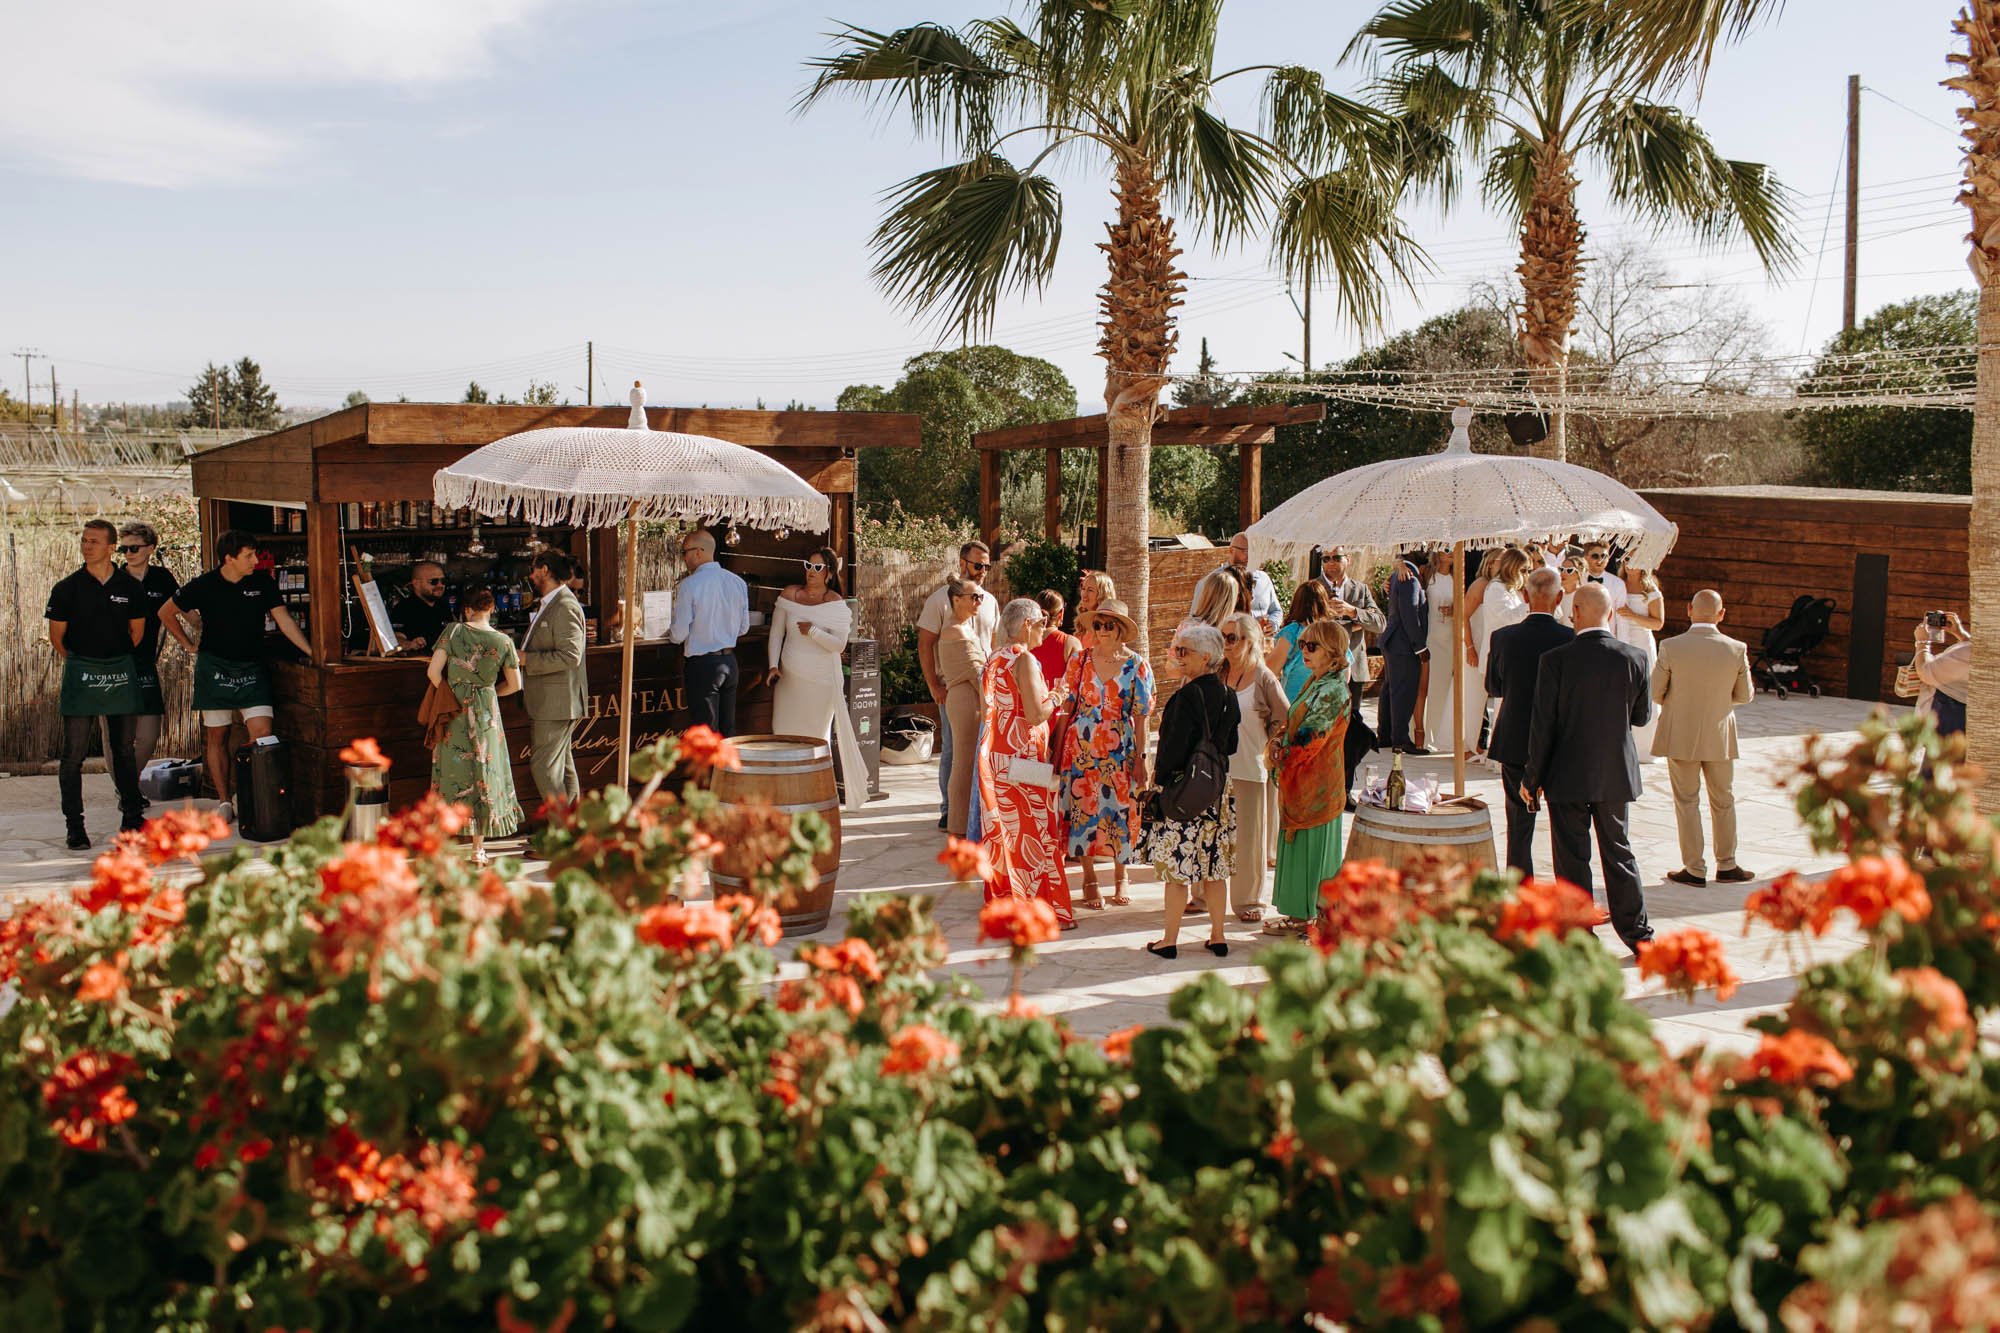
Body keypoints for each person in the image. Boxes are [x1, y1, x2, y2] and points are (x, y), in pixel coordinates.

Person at [1520, 583, 1655, 955]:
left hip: (1568, 773)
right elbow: (1641, 717)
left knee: (1572, 859)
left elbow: (1542, 725)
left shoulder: (1555, 659)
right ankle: (1639, 936)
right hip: (1615, 772)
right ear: (1610, 614)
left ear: (1575, 612)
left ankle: (1580, 937)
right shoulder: (1635, 657)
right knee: (1619, 852)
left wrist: (1532, 778)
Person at [159, 529, 311, 828]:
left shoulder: (262, 583)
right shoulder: (204, 585)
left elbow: (283, 619)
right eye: (249, 556)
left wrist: (310, 651)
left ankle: (253, 794)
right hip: (214, 666)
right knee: (218, 736)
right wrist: (189, 645)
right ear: (229, 559)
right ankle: (225, 800)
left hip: (252, 667)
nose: (256, 560)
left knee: (263, 736)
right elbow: (165, 612)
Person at [47, 519, 147, 849]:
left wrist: (111, 660)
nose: (86, 546)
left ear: (111, 548)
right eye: (84, 540)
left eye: (93, 541)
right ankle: (75, 826)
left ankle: (132, 818)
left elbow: (137, 634)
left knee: (123, 752)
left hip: (120, 671)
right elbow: (57, 639)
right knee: (73, 755)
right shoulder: (66, 588)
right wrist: (85, 663)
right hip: (81, 673)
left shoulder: (130, 588)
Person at [1142, 622, 1239, 958]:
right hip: (1217, 790)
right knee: (1215, 867)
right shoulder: (1229, 695)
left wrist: (1160, 784)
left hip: (1185, 791)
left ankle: (1169, 940)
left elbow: (1170, 750)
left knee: (1177, 870)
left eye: (1185, 651)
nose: (1178, 655)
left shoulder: (1185, 697)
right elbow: (1233, 745)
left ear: (1206, 657)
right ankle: (1218, 935)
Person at [1652, 589, 1756, 888]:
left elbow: (1655, 692)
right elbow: (1745, 695)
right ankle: (1727, 864)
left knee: (1686, 801)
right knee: (1723, 800)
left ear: (1689, 610)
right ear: (1721, 614)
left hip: (1680, 732)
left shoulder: (1671, 646)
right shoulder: (1736, 648)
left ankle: (1695, 868)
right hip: (1719, 733)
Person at [977, 598, 1072, 925]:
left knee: (1003, 834)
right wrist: (1058, 696)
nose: (1045, 629)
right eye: (1041, 622)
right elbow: (1035, 714)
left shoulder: (993, 659)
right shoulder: (1024, 660)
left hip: (994, 756)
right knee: (1034, 833)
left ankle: (1004, 903)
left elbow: (987, 709)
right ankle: (1039, 909)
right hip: (1022, 760)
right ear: (1026, 625)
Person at [1056, 597, 1152, 909]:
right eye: (1097, 625)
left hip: (1120, 748)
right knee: (1082, 811)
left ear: (1121, 629)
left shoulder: (1137, 665)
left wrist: (1142, 758)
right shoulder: (1080, 660)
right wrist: (1056, 750)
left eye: (1109, 625)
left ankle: (1121, 875)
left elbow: (1141, 717)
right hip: (1081, 747)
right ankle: (1088, 877)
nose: (1102, 630)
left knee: (1119, 811)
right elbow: (1066, 708)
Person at [1483, 568, 1574, 877]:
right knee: (1566, 825)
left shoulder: (1503, 638)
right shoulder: (1570, 639)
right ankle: (1567, 890)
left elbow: (1493, 688)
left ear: (1524, 596)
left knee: (1518, 821)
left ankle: (1519, 887)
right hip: (1561, 742)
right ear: (1559, 597)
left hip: (1515, 735)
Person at [766, 546, 868, 811]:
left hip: (821, 680)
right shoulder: (789, 595)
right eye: (808, 565)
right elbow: (776, 633)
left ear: (829, 574)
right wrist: (772, 665)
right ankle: (786, 794)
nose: (811, 572)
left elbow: (839, 645)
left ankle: (815, 797)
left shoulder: (835, 603)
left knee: (815, 736)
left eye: (818, 568)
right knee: (783, 731)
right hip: (790, 676)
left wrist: (812, 631)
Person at [427, 588, 524, 863]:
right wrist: (489, 692)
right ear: (491, 610)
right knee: (484, 769)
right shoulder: (503, 640)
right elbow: (516, 685)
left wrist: (451, 693)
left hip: (454, 709)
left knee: (451, 770)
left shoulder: (454, 632)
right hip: (486, 713)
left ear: (467, 609)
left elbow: (433, 672)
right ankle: (477, 849)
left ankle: (439, 843)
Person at [1269, 618, 1352, 932]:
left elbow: (1312, 737)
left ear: (1332, 651)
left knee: (1315, 853)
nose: (1304, 650)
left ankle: (1318, 920)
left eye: (1312, 646)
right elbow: (1292, 722)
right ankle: (1299, 916)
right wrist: (1278, 741)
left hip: (1318, 787)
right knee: (1300, 849)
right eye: (1302, 644)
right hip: (1300, 784)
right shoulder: (1315, 682)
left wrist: (1281, 755)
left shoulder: (1332, 689)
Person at [918, 542, 999, 834]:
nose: (983, 572)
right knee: (954, 751)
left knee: (974, 752)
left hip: (981, 686)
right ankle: (949, 810)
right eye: (978, 565)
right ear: (963, 563)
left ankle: (969, 811)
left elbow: (994, 643)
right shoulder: (940, 600)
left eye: (987, 566)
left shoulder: (988, 600)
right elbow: (925, 644)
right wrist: (933, 685)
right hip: (954, 686)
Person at [1220, 611, 1288, 924]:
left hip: (1250, 766)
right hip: (1217, 769)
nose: (1227, 644)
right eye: (1223, 637)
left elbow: (1286, 718)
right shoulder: (1218, 672)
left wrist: (1272, 746)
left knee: (1248, 839)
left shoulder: (1263, 677)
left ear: (1250, 641)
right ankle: (1204, 894)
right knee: (1214, 833)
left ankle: (1249, 899)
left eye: (1232, 638)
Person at [520, 550, 588, 807]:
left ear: (545, 570)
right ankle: (571, 834)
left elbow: (571, 656)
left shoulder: (565, 605)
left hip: (557, 701)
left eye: (533, 569)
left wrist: (527, 660)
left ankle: (561, 834)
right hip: (554, 700)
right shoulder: (553, 603)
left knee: (544, 768)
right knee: (563, 768)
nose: (530, 575)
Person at [669, 529, 751, 735]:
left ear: (698, 552)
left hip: (703, 665)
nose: (684, 558)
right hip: (730, 663)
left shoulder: (689, 585)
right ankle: (726, 769)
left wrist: (668, 631)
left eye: (684, 552)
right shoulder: (737, 582)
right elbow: (744, 628)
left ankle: (710, 769)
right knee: (727, 732)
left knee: (705, 734)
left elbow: (678, 634)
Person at [117, 520, 179, 772]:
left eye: (134, 548)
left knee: (149, 734)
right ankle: (127, 792)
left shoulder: (162, 579)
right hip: (113, 663)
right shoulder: (112, 578)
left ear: (151, 548)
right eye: (124, 549)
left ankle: (128, 784)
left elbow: (182, 608)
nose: (128, 554)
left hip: (145, 663)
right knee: (118, 737)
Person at [1467, 547, 1531, 764]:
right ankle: (1497, 756)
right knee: (1499, 707)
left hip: (1512, 653)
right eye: (1524, 569)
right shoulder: (1495, 589)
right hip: (1497, 654)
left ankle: (1500, 752)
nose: (1526, 574)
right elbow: (1507, 618)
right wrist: (1531, 605)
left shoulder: (1511, 589)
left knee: (1505, 706)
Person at [937, 578, 989, 838]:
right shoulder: (954, 630)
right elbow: (975, 670)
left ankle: (965, 821)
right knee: (964, 760)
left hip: (971, 696)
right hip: (964, 698)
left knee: (969, 760)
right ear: (957, 600)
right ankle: (957, 823)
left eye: (980, 597)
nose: (978, 601)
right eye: (974, 597)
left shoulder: (966, 627)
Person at [1420, 546, 1475, 757]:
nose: (1450, 552)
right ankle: (1426, 733)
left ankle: (1442, 733)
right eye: (1445, 549)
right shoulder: (1427, 575)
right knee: (1432, 685)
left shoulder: (1456, 578)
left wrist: (1455, 611)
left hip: (1451, 635)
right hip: (1432, 635)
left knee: (1447, 686)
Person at [1377, 551, 1429, 753]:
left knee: (1391, 689)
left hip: (1394, 641)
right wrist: (1420, 647)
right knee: (1403, 691)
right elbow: (1410, 614)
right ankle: (1399, 739)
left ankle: (1386, 735)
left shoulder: (1398, 574)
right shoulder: (1410, 579)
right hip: (1403, 644)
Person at [1617, 564, 1667, 761]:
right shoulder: (1617, 585)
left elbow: (1658, 623)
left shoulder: (1651, 592)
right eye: (1627, 559)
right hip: (1620, 639)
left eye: (1636, 560)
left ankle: (1644, 747)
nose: (1630, 565)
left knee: (1643, 690)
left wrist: (1633, 616)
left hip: (1641, 643)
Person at [1912, 612, 1971, 737]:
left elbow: (1925, 672)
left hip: (1948, 714)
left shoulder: (1965, 654)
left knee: (1941, 754)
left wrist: (1922, 641)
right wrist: (1962, 636)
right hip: (1966, 714)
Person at [1268, 580, 1330, 699]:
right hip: (1326, 703)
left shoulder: (1292, 632)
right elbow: (1345, 673)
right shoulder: (1334, 632)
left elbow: (1271, 670)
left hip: (1295, 701)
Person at [1224, 532, 1282, 635]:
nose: (1250, 555)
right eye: (1246, 551)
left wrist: (1272, 624)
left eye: (1254, 551)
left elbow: (1276, 611)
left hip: (1260, 644)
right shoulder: (1217, 580)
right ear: (1231, 550)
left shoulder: (1263, 579)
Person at [391, 561, 451, 652]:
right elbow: (395, 639)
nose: (440, 585)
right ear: (416, 584)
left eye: (443, 581)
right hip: (416, 664)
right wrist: (409, 644)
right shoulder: (403, 609)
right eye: (433, 581)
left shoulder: (444, 607)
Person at [1029, 588, 1078, 687]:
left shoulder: (1024, 639)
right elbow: (1077, 682)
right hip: (1057, 700)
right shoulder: (1070, 643)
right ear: (1061, 614)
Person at [1579, 541, 1627, 634]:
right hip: (1581, 636)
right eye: (1595, 556)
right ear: (1586, 557)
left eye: (1604, 556)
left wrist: (1621, 644)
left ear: (1608, 558)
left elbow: (1622, 619)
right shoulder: (1578, 579)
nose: (1600, 560)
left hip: (1608, 636)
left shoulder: (1618, 584)